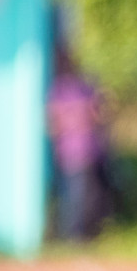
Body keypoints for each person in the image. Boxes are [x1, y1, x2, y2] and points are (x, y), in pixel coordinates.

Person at [46, 61, 106, 241]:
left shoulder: (60, 92)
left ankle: (75, 236)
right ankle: (75, 237)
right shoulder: (82, 91)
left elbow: (52, 123)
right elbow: (98, 115)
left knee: (76, 197)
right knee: (78, 198)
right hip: (78, 152)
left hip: (73, 153)